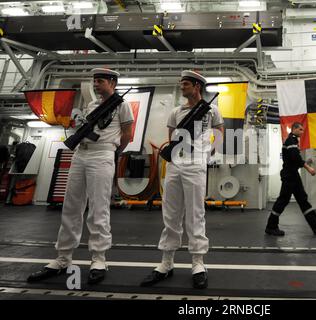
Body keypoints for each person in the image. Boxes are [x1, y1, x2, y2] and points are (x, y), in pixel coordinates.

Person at [27, 68, 134, 285]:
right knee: (71, 206)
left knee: (98, 208)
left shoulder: (123, 106)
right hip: (80, 154)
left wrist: (113, 153)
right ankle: (63, 258)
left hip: (102, 154)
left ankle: (98, 259)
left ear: (112, 82)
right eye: (94, 81)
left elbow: (127, 134)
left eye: (100, 81)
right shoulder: (92, 105)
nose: (96, 85)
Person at [140, 70, 224, 289]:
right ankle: (166, 263)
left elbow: (220, 131)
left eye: (185, 84)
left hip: (196, 164)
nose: (181, 87)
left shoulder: (211, 109)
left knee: (196, 213)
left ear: (196, 86)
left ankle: (198, 263)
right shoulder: (176, 112)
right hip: (176, 164)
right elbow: (171, 138)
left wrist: (211, 152)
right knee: (171, 213)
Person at [265, 122, 316, 236]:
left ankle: (315, 225)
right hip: (290, 175)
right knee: (283, 200)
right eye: (300, 129)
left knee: (302, 199)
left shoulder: (293, 140)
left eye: (302, 130)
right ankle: (271, 226)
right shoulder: (291, 140)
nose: (302, 132)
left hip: (292, 174)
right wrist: (308, 168)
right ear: (294, 129)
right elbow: (295, 157)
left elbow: (294, 158)